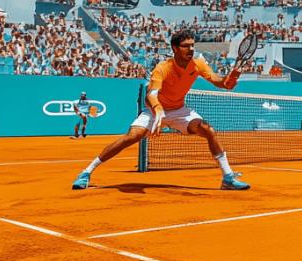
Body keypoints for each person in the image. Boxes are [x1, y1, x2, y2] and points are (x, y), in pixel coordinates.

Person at [72, 29, 249, 191]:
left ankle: (227, 177)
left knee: (208, 130)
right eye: (186, 46)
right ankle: (86, 172)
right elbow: (151, 94)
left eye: (193, 46)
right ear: (175, 48)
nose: (191, 49)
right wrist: (158, 111)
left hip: (180, 111)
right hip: (154, 111)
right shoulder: (163, 67)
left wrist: (230, 79)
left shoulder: (198, 64)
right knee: (131, 137)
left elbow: (220, 83)